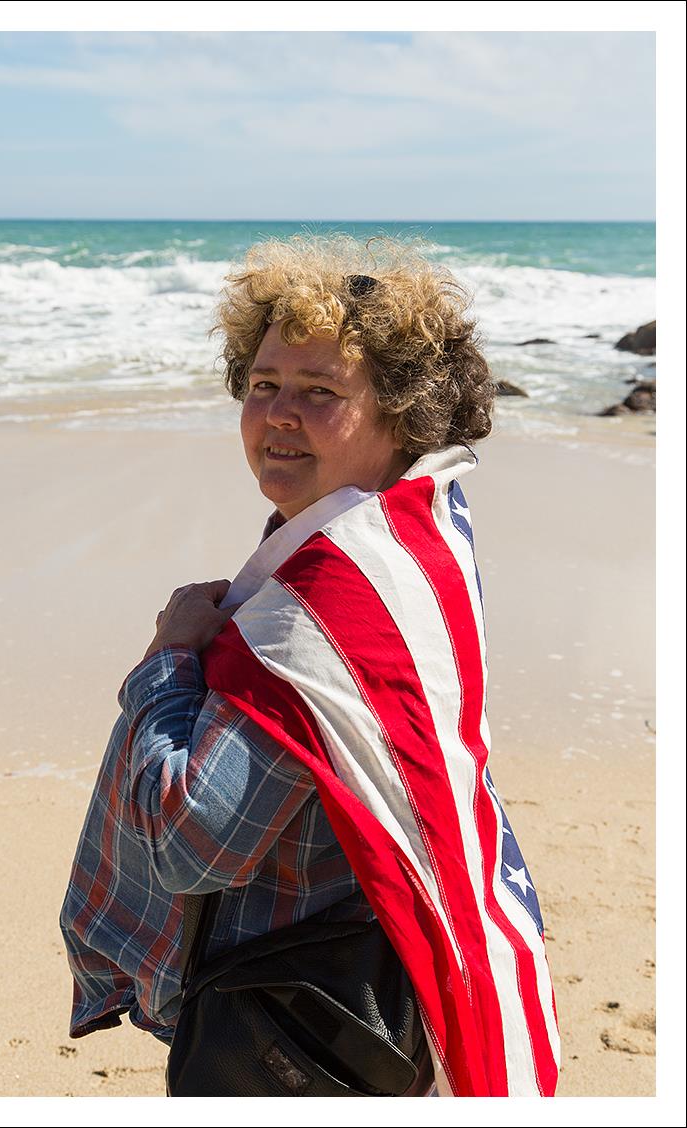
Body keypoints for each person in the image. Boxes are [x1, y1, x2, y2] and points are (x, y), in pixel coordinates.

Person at [60, 234, 560, 1097]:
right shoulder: (411, 525)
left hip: (304, 1015)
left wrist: (171, 660)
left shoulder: (329, 599)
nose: (276, 414)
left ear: (403, 414)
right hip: (364, 960)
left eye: (319, 392)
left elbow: (191, 844)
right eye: (262, 385)